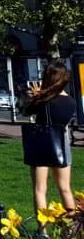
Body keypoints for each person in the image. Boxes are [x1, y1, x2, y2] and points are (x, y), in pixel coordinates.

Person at [23, 63, 77, 214]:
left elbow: (25, 111)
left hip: (41, 143)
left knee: (40, 189)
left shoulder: (43, 101)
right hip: (62, 142)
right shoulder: (71, 103)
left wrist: (35, 96)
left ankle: (43, 232)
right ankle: (71, 228)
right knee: (65, 188)